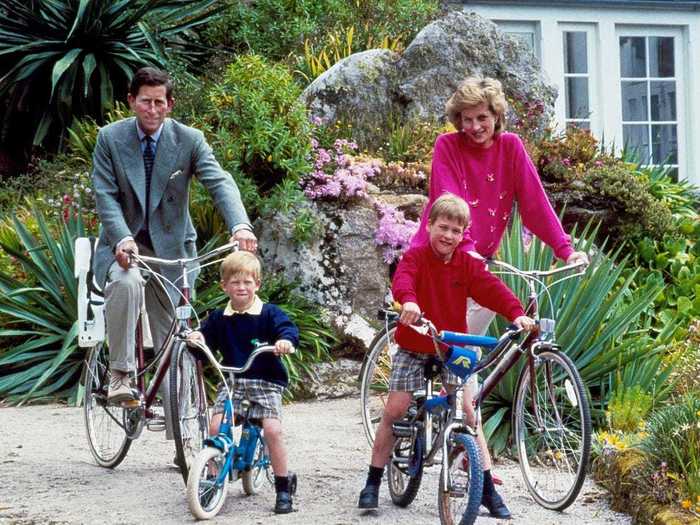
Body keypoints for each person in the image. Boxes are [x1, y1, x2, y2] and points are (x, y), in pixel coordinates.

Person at [408, 76, 589, 518]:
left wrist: (564, 248)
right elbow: (447, 200)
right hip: (445, 260)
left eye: (482, 118)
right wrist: (465, 250)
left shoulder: (510, 149)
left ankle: (467, 446)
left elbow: (534, 203)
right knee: (460, 368)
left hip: (478, 267)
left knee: (474, 367)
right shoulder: (446, 147)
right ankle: (475, 458)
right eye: (466, 119)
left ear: (496, 116)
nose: (474, 126)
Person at [91, 67, 257, 422]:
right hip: (126, 245)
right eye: (145, 102)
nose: (152, 110)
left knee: (174, 331)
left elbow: (220, 182)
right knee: (126, 281)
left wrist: (240, 226)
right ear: (131, 101)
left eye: (159, 102)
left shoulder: (189, 140)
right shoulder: (110, 138)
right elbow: (105, 196)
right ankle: (120, 375)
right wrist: (122, 239)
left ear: (170, 104)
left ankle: (180, 429)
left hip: (172, 250)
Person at [358, 194, 535, 514]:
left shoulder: (467, 264)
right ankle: (373, 480)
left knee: (468, 411)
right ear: (429, 226)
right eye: (443, 227)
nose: (448, 236)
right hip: (414, 344)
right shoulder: (415, 257)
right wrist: (408, 302)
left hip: (448, 349)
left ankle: (485, 488)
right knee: (396, 408)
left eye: (456, 230)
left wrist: (516, 312)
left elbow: (491, 288)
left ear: (463, 234)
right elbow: (403, 281)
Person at [187, 251, 299, 514]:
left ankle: (283, 488)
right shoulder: (219, 318)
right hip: (234, 381)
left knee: (272, 431)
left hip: (266, 382)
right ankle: (212, 479)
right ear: (224, 286)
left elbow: (288, 328)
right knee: (216, 427)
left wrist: (285, 342)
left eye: (248, 282)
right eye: (235, 282)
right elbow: (206, 341)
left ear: (257, 285)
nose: (241, 287)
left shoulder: (269, 314)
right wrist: (197, 339)